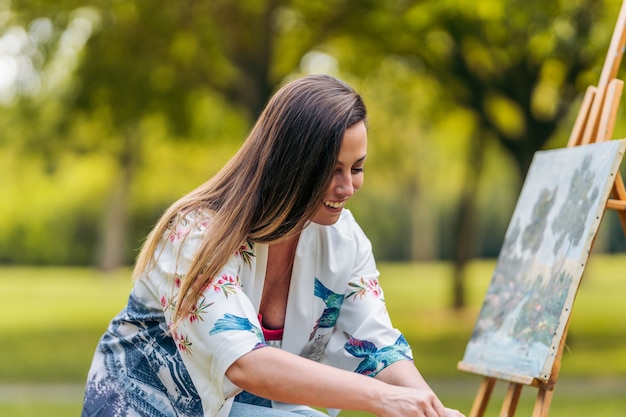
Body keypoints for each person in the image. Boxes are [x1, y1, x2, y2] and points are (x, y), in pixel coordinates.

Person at [81, 74, 465, 417]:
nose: (347, 187)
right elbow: (244, 363)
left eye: (357, 168)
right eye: (331, 170)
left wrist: (431, 408)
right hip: (142, 405)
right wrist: (382, 398)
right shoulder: (195, 233)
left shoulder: (344, 239)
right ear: (290, 164)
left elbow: (377, 345)